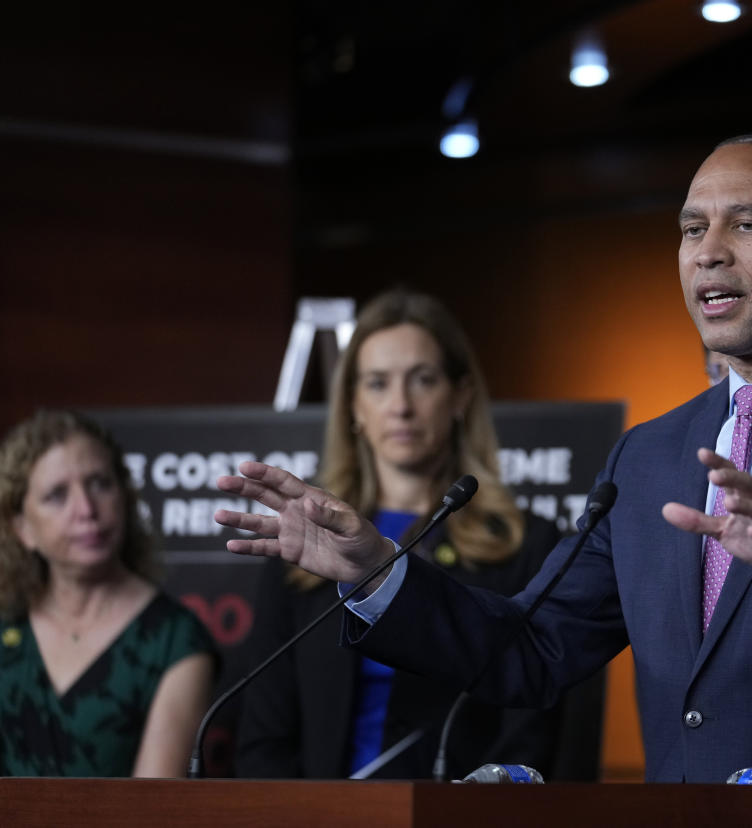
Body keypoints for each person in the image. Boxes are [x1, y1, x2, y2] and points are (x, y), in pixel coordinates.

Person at [215, 134, 752, 803]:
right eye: (692, 229)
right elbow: (531, 652)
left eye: (748, 224)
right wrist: (380, 573)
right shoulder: (652, 453)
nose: (709, 252)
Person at [234, 289, 602, 781]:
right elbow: (262, 740)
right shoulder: (308, 543)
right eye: (378, 383)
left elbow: (531, 739)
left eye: (423, 380)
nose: (401, 406)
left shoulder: (525, 546)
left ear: (461, 396)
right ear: (353, 405)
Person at [0, 410, 215, 777]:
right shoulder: (7, 623)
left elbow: (150, 808)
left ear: (126, 498)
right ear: (23, 529)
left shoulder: (175, 640)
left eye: (99, 483)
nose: (86, 510)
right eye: (56, 495)